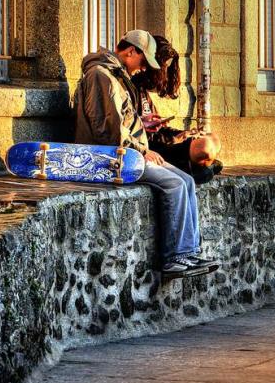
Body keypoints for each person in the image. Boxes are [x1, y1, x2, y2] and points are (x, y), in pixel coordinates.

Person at [73, 30, 219, 277]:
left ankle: (189, 252)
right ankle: (174, 258)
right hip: (111, 158)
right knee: (173, 184)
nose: (143, 69)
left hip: (127, 153)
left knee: (186, 180)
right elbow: (105, 132)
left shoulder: (116, 76)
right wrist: (142, 151)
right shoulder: (100, 75)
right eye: (143, 62)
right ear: (131, 51)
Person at [133, 35, 223, 184]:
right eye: (163, 68)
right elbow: (140, 136)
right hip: (151, 149)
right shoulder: (130, 89)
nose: (164, 74)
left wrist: (183, 134)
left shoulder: (142, 92)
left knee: (214, 139)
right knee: (205, 148)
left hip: (162, 143)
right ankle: (205, 166)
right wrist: (175, 139)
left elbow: (158, 130)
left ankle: (205, 166)